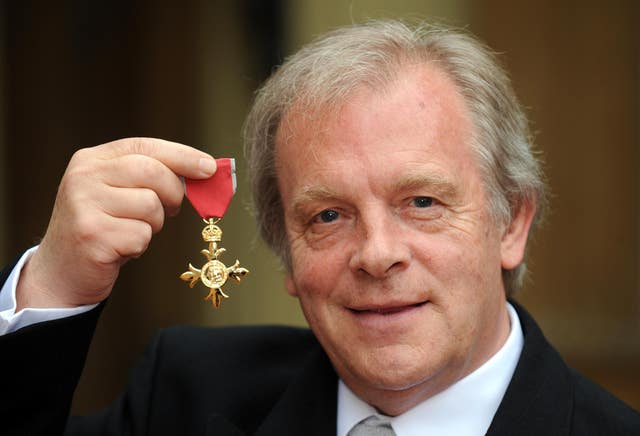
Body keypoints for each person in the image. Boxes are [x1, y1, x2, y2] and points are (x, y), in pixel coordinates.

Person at [1, 19, 638, 436]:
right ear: (285, 253)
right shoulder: (189, 397)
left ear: (513, 223)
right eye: (327, 216)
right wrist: (56, 288)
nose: (377, 254)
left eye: (421, 202)